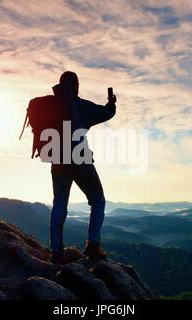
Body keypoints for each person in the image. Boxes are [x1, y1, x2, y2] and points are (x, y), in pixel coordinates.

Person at [50, 71, 116, 264]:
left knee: (59, 204)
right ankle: (93, 245)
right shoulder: (83, 106)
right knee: (98, 201)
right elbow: (106, 113)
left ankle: (56, 252)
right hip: (80, 158)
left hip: (58, 160)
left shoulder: (48, 106)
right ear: (76, 86)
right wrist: (111, 103)